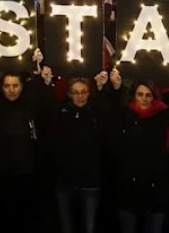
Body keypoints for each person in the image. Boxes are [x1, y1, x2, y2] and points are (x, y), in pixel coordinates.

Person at [105, 68, 169, 233]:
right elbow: (110, 116)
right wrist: (115, 88)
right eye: (140, 94)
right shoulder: (125, 115)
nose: (143, 99)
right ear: (134, 95)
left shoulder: (162, 115)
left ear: (153, 96)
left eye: (147, 95)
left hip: (155, 187)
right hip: (129, 187)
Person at [0, 50, 53, 233]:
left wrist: (39, 76)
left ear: (22, 86)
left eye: (15, 86)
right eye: (7, 86)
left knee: (26, 217)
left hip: (26, 173)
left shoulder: (30, 104)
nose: (11, 90)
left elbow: (45, 105)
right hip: (1, 173)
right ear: (2, 87)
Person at [49, 73, 108, 233]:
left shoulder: (96, 113)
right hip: (65, 181)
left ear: (89, 93)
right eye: (76, 92)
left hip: (90, 182)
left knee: (89, 227)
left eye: (83, 92)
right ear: (69, 94)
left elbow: (109, 113)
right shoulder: (60, 113)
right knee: (67, 227)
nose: (80, 96)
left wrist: (102, 89)